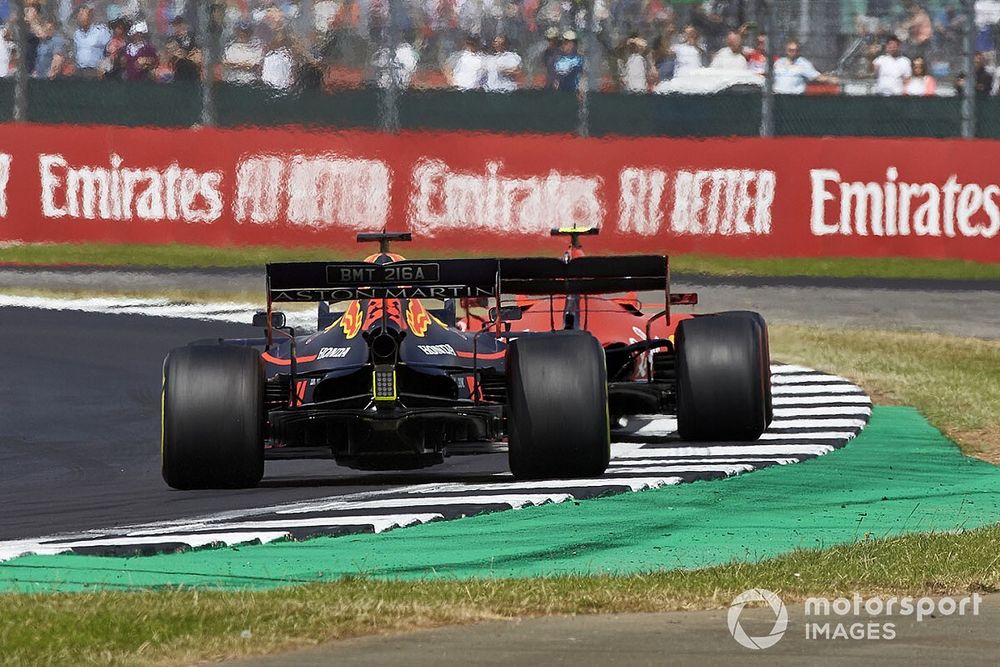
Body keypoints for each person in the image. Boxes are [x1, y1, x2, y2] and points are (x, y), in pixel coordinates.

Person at [72, 4, 110, 78]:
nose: (80, 18)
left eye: (83, 15)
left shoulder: (101, 31)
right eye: (79, 15)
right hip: (79, 71)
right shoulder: (77, 34)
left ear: (90, 16)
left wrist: (104, 67)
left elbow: (110, 51)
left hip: (96, 71)